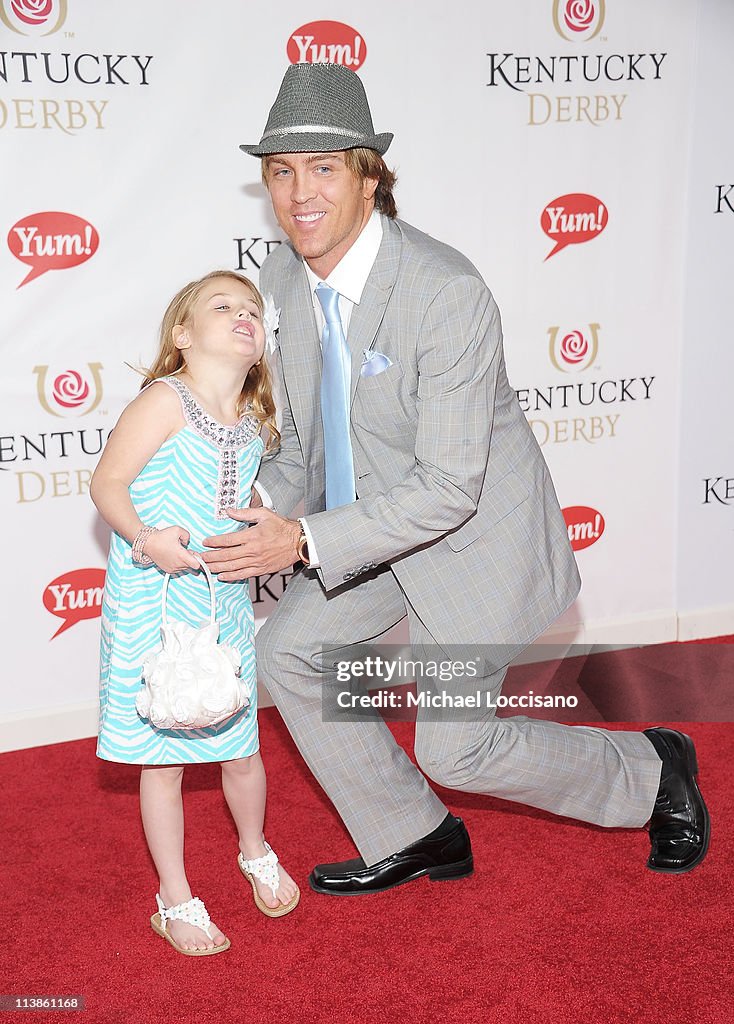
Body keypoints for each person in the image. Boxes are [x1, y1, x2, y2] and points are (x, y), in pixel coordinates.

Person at [202, 63, 709, 894]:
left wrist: (299, 539)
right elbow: (300, 443)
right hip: (368, 528)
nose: (300, 193)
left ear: (370, 178)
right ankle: (417, 832)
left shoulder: (445, 293)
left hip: (467, 539)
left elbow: (446, 489)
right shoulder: (283, 276)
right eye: (281, 170)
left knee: (457, 746)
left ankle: (655, 769)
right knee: (288, 651)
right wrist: (240, 507)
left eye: (325, 168)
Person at [91, 270, 299, 956]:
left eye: (252, 309)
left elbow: (235, 498)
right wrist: (149, 540)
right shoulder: (164, 400)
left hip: (223, 599)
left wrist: (264, 522)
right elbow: (109, 483)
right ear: (182, 334)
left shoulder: (254, 420)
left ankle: (255, 847)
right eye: (223, 305)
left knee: (241, 745)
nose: (243, 314)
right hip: (155, 601)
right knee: (165, 757)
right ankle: (173, 895)